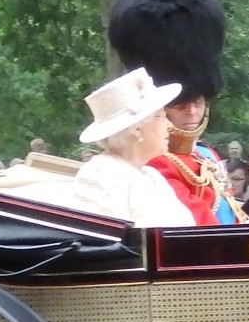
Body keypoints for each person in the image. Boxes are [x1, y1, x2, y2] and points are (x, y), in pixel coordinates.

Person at [108, 0, 237, 225]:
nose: (191, 111)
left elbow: (230, 215)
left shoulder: (205, 155)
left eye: (198, 101)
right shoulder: (155, 162)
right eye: (179, 103)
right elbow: (204, 229)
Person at [68, 69, 197, 227]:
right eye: (162, 116)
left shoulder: (152, 175)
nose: (169, 125)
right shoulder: (100, 174)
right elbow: (106, 246)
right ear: (137, 129)